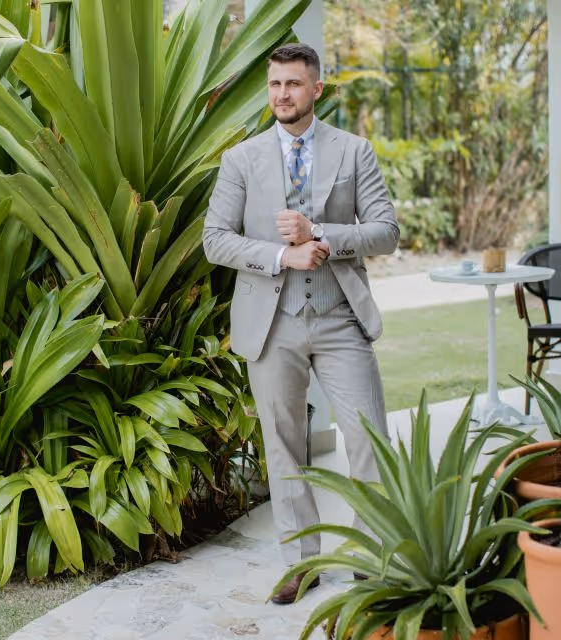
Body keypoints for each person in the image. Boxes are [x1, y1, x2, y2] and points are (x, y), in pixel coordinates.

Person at [202, 43, 399, 605]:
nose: (282, 95)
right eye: (275, 85)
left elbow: (386, 231)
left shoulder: (354, 151)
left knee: (370, 440)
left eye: (293, 84)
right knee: (285, 446)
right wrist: (282, 255)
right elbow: (215, 240)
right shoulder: (241, 160)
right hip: (272, 322)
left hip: (340, 320)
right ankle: (300, 562)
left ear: (316, 88)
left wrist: (325, 235)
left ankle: (371, 556)